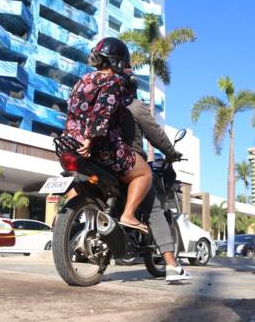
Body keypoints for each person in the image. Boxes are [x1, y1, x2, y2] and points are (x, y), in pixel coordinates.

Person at [63, 38, 153, 233]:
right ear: (117, 62)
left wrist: (79, 139)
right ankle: (128, 215)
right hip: (100, 147)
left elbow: (71, 110)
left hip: (71, 143)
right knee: (145, 172)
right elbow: (102, 112)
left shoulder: (82, 80)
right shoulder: (112, 81)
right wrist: (89, 140)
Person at [120, 73, 191, 282]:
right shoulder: (135, 106)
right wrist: (171, 153)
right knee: (155, 208)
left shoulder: (104, 106)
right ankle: (172, 266)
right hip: (128, 163)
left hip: (99, 160)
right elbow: (156, 135)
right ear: (132, 88)